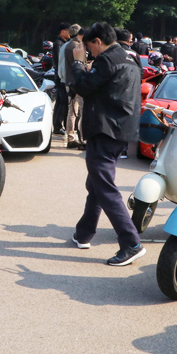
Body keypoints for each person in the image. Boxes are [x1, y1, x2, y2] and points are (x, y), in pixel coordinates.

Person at [70, 22, 144, 266]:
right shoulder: (130, 57)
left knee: (104, 187)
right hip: (122, 129)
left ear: (99, 41)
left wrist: (79, 63)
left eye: (90, 46)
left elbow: (82, 86)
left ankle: (131, 243)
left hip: (105, 129)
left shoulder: (107, 60)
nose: (89, 51)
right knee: (96, 183)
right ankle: (84, 234)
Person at [60, 24, 85, 149]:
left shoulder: (67, 46)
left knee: (72, 112)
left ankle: (70, 137)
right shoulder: (78, 46)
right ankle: (82, 139)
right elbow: (81, 64)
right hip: (78, 81)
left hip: (68, 81)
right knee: (82, 111)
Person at [52, 22, 72, 134]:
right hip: (61, 76)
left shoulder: (61, 43)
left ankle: (58, 126)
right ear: (63, 31)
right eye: (68, 31)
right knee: (62, 102)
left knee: (60, 102)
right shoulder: (59, 44)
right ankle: (58, 126)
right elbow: (61, 61)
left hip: (60, 76)